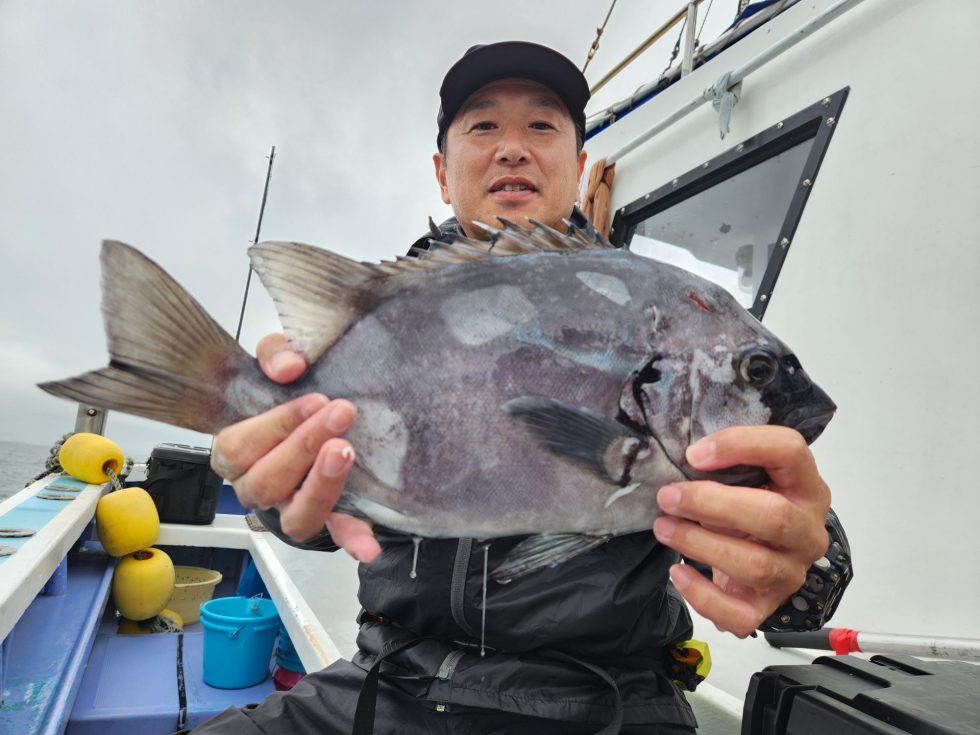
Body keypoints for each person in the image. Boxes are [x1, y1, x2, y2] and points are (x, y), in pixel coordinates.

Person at [187, 42, 849, 735]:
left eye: (542, 126)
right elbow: (316, 522)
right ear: (443, 173)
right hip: (387, 680)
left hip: (611, 705)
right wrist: (273, 488)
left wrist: (799, 563)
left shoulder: (668, 316)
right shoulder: (377, 315)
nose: (512, 149)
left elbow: (806, 557)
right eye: (482, 126)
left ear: (579, 165)